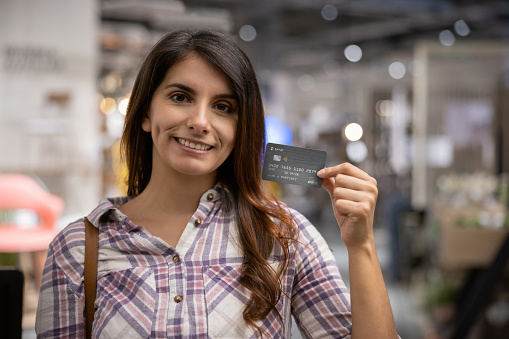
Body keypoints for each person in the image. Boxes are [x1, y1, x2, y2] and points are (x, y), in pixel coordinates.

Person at [35, 29, 398, 338]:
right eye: (180, 97)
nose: (200, 121)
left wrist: (361, 244)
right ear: (146, 112)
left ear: (241, 128)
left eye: (224, 106)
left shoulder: (283, 234)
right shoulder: (78, 250)